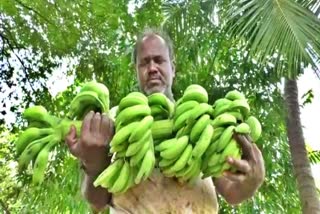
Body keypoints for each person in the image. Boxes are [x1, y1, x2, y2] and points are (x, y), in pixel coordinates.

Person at [65, 28, 265, 213]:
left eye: (159, 60)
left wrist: (252, 181)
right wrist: (93, 162)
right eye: (144, 62)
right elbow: (96, 201)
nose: (152, 68)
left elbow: (232, 192)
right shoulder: (113, 121)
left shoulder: (201, 120)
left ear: (173, 68)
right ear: (136, 70)